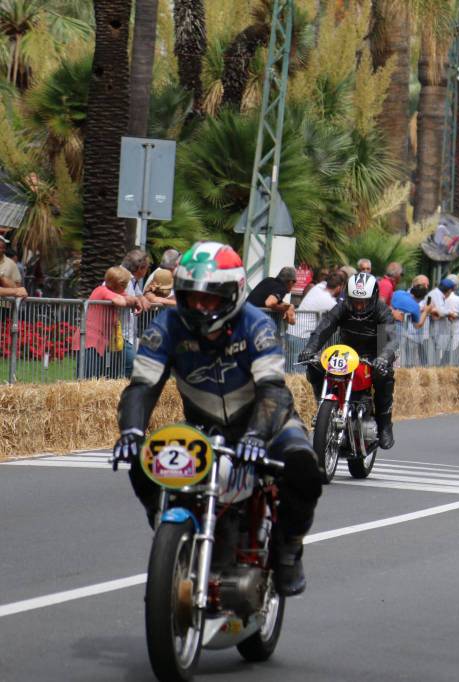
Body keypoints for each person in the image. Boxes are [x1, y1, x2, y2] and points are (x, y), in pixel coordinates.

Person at [111, 242, 322, 596]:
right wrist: (131, 431)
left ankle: (289, 549)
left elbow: (273, 389)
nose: (200, 307)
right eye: (192, 297)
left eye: (211, 298)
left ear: (234, 293)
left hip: (266, 422)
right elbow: (142, 387)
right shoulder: (166, 327)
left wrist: (256, 435)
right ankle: (167, 527)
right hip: (202, 427)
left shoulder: (257, 326)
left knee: (303, 466)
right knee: (142, 458)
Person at [298, 273, 399, 449]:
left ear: (373, 297)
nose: (359, 306)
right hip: (345, 354)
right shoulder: (342, 307)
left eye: (364, 302)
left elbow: (389, 339)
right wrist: (310, 349)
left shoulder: (382, 310)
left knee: (384, 375)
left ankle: (384, 425)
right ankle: (323, 405)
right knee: (314, 366)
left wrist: (383, 358)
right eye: (355, 301)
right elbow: (325, 327)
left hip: (373, 356)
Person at [83, 266, 144, 378]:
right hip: (90, 341)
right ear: (120, 285)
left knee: (97, 377)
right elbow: (119, 301)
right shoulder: (103, 290)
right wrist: (132, 301)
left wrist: (135, 300)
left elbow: (130, 298)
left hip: (103, 340)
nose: (126, 289)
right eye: (125, 286)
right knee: (88, 377)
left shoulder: (114, 291)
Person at [286, 273, 344, 366]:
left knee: (289, 367)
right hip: (302, 336)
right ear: (338, 287)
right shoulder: (329, 302)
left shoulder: (318, 287)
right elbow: (339, 315)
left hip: (291, 331)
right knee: (300, 368)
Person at [121, 248, 153, 377]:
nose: (146, 272)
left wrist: (142, 299)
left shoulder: (131, 280)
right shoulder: (124, 279)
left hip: (125, 335)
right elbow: (130, 299)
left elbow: (139, 295)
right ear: (140, 268)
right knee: (134, 368)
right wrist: (137, 301)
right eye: (146, 269)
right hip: (119, 334)